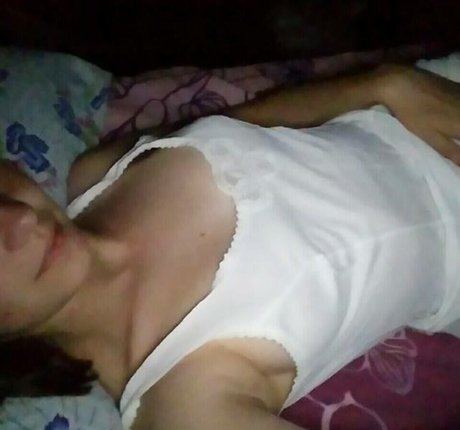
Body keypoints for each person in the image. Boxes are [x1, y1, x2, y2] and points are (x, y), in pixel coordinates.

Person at [1, 57, 460, 430]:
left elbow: (249, 121)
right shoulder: (179, 399)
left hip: (420, 102)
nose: (19, 219)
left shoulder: (96, 175)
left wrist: (383, 85)